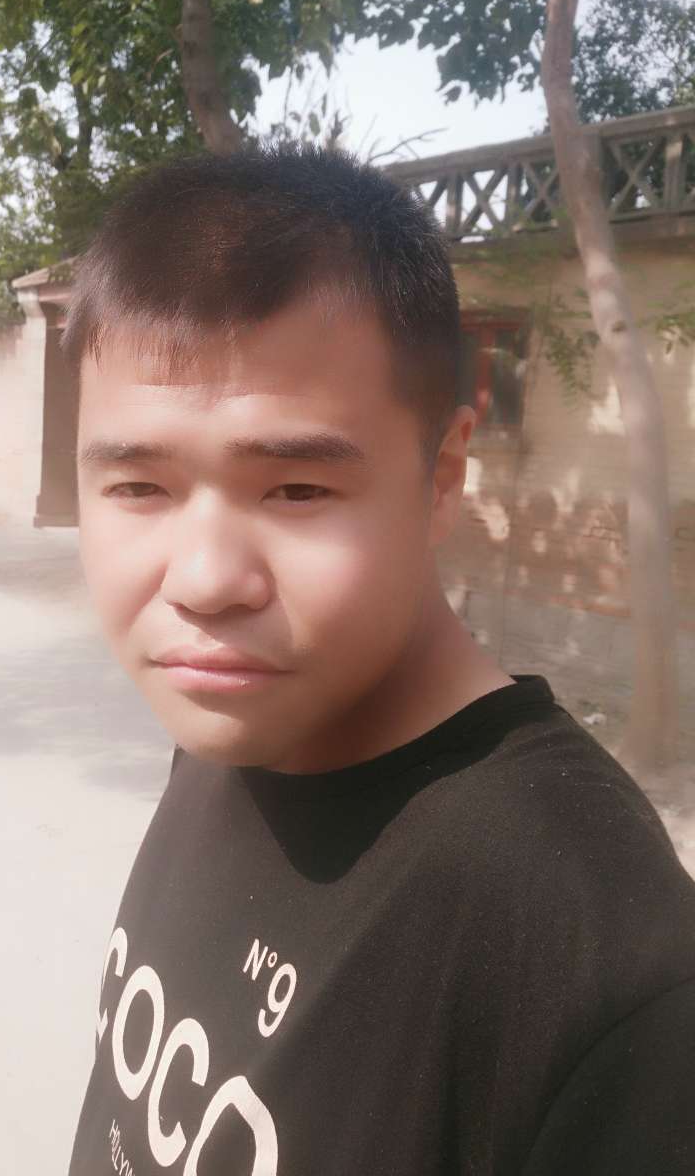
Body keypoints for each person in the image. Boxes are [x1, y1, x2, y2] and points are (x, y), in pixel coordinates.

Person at [62, 144, 695, 1175]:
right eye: (139, 488)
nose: (207, 580)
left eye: (297, 490)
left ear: (441, 476)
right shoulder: (232, 728)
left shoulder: (594, 960)